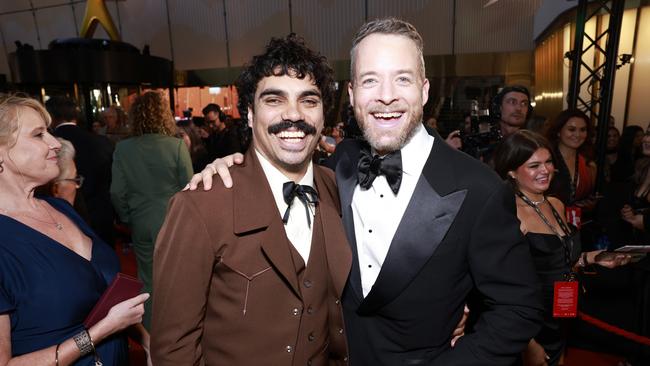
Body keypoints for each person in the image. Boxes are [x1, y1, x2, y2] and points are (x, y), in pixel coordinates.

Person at [191, 18, 543, 365]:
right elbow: (275, 176)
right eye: (370, 80)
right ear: (352, 93)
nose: (385, 97)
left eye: (401, 79)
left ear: (423, 89)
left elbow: (518, 308)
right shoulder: (337, 167)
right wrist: (233, 168)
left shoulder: (479, 188)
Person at [151, 34, 352, 365]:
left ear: (322, 116)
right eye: (274, 100)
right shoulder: (200, 206)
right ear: (248, 113)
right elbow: (173, 350)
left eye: (309, 100)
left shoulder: (337, 189)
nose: (294, 115)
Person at [0, 94, 149, 365]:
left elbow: (103, 295)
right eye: (38, 135)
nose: (55, 143)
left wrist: (146, 341)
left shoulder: (61, 208)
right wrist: (99, 333)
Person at [493, 130, 630, 366]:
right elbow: (501, 288)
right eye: (534, 165)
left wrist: (592, 258)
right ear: (512, 171)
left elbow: (560, 258)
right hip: (528, 321)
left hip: (562, 310)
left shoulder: (555, 203)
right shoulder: (508, 213)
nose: (545, 170)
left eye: (548, 162)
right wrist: (528, 344)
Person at [110, 91, 193, 330]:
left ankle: (152, 335)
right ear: (163, 116)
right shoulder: (176, 146)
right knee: (180, 276)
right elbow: (190, 189)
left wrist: (128, 217)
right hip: (175, 222)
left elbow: (117, 192)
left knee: (147, 281)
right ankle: (182, 328)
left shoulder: (123, 149)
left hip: (142, 222)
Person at [46, 96, 115, 246]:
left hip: (64, 218)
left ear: (50, 117)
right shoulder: (101, 142)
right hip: (102, 215)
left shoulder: (49, 146)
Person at [545, 109, 596, 213]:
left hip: (579, 224)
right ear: (559, 132)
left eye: (582, 130)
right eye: (571, 129)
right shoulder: (545, 161)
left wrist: (589, 204)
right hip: (547, 222)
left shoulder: (589, 165)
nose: (578, 135)